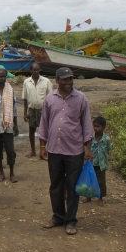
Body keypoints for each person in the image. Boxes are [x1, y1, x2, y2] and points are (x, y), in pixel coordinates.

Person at [39, 67, 93, 236]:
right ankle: (58, 216)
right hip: (55, 148)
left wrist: (88, 148)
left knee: (72, 186)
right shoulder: (49, 99)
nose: (68, 82)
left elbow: (86, 124)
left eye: (70, 79)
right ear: (57, 81)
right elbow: (44, 124)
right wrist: (42, 146)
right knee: (56, 185)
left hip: (74, 150)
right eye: (65, 79)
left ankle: (71, 220)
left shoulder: (81, 98)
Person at [0, 68, 19, 183]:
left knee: (10, 150)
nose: (2, 78)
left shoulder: (10, 90)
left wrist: (15, 125)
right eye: (0, 76)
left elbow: (14, 108)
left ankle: (12, 173)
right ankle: (1, 172)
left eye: (4, 76)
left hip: (8, 126)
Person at [22, 63, 53, 158]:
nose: (35, 72)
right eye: (34, 70)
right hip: (31, 109)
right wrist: (25, 113)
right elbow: (25, 98)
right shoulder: (26, 82)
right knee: (31, 130)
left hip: (43, 109)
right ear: (30, 70)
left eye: (37, 70)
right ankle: (33, 151)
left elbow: (51, 98)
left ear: (39, 70)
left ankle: (42, 150)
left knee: (43, 131)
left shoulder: (46, 81)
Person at [82, 116, 111, 206]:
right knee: (90, 179)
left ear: (104, 127)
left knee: (101, 181)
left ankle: (100, 198)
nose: (96, 128)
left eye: (98, 126)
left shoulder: (106, 139)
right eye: (94, 126)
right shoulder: (90, 138)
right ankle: (88, 196)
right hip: (91, 163)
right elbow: (86, 148)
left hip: (101, 164)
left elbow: (108, 149)